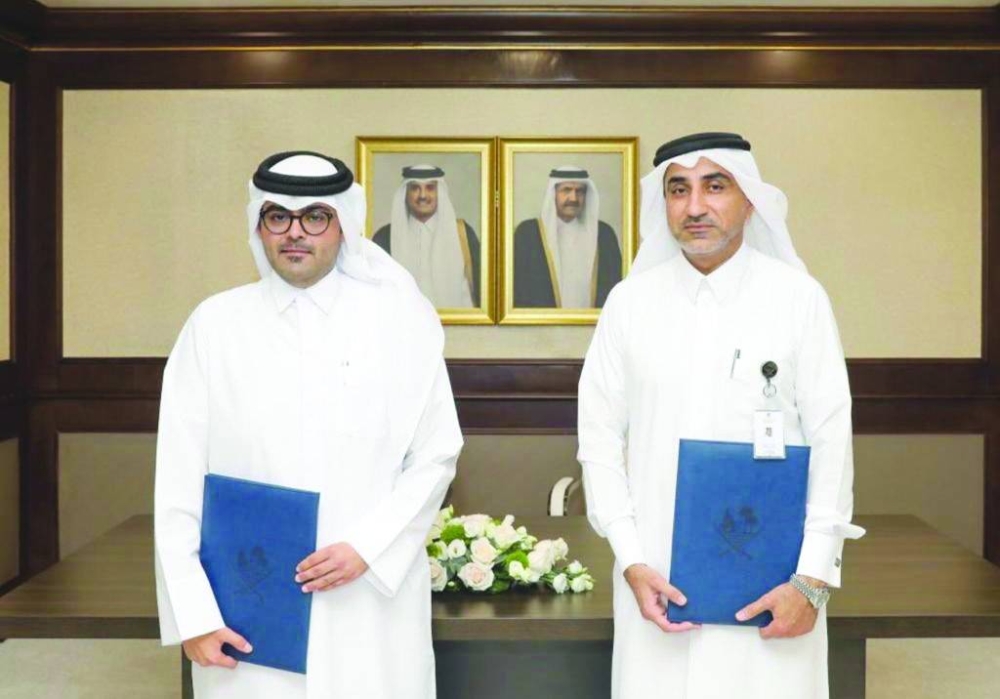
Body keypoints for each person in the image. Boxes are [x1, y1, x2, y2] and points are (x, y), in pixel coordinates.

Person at [154, 151, 463, 698]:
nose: (295, 232)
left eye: (315, 217)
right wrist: (193, 614)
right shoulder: (214, 325)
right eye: (278, 216)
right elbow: (178, 479)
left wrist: (367, 547)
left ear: (343, 225)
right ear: (259, 226)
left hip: (368, 598)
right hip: (248, 605)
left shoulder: (398, 321)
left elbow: (436, 453)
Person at [577, 132, 865, 698]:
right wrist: (631, 560)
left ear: (749, 199)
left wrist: (811, 581)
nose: (695, 206)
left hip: (776, 581)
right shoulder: (629, 304)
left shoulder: (798, 298)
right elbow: (599, 441)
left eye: (715, 186)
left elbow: (832, 443)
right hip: (656, 579)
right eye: (678, 190)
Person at [373, 164, 480, 308]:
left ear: (439, 192)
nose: (422, 195)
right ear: (405, 193)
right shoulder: (384, 238)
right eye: (415, 188)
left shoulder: (463, 234)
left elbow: (483, 289)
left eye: (430, 188)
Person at [514, 166, 621, 308]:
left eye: (580, 191)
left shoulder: (604, 234)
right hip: (542, 321)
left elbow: (616, 286)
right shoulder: (528, 233)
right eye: (566, 190)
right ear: (553, 194)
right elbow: (518, 288)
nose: (573, 198)